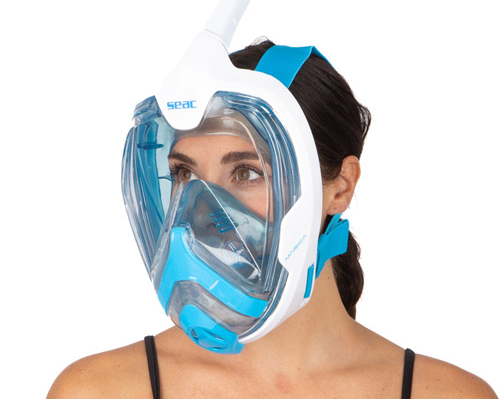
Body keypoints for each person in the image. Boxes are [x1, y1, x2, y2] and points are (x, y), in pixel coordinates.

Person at [47, 39, 497, 399]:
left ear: (340, 187)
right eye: (185, 174)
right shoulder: (100, 391)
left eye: (246, 172)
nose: (200, 213)